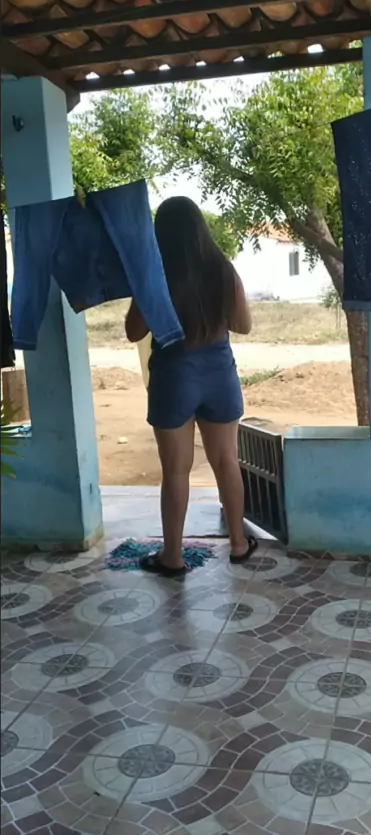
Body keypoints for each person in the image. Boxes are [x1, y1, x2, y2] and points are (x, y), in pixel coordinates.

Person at [125, 196, 257, 576]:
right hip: (219, 376)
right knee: (226, 461)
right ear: (200, 228)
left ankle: (172, 556)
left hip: (172, 378)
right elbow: (244, 326)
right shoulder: (223, 270)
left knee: (176, 471)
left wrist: (147, 291)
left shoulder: (154, 273)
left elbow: (134, 331)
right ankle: (238, 543)